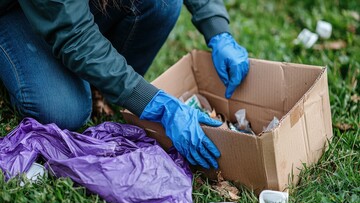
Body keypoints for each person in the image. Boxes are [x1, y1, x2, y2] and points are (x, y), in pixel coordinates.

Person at [0, 0, 249, 170]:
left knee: (163, 3)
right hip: (15, 11)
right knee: (64, 110)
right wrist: (158, 105)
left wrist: (217, 30)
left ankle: (105, 83)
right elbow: (75, 35)